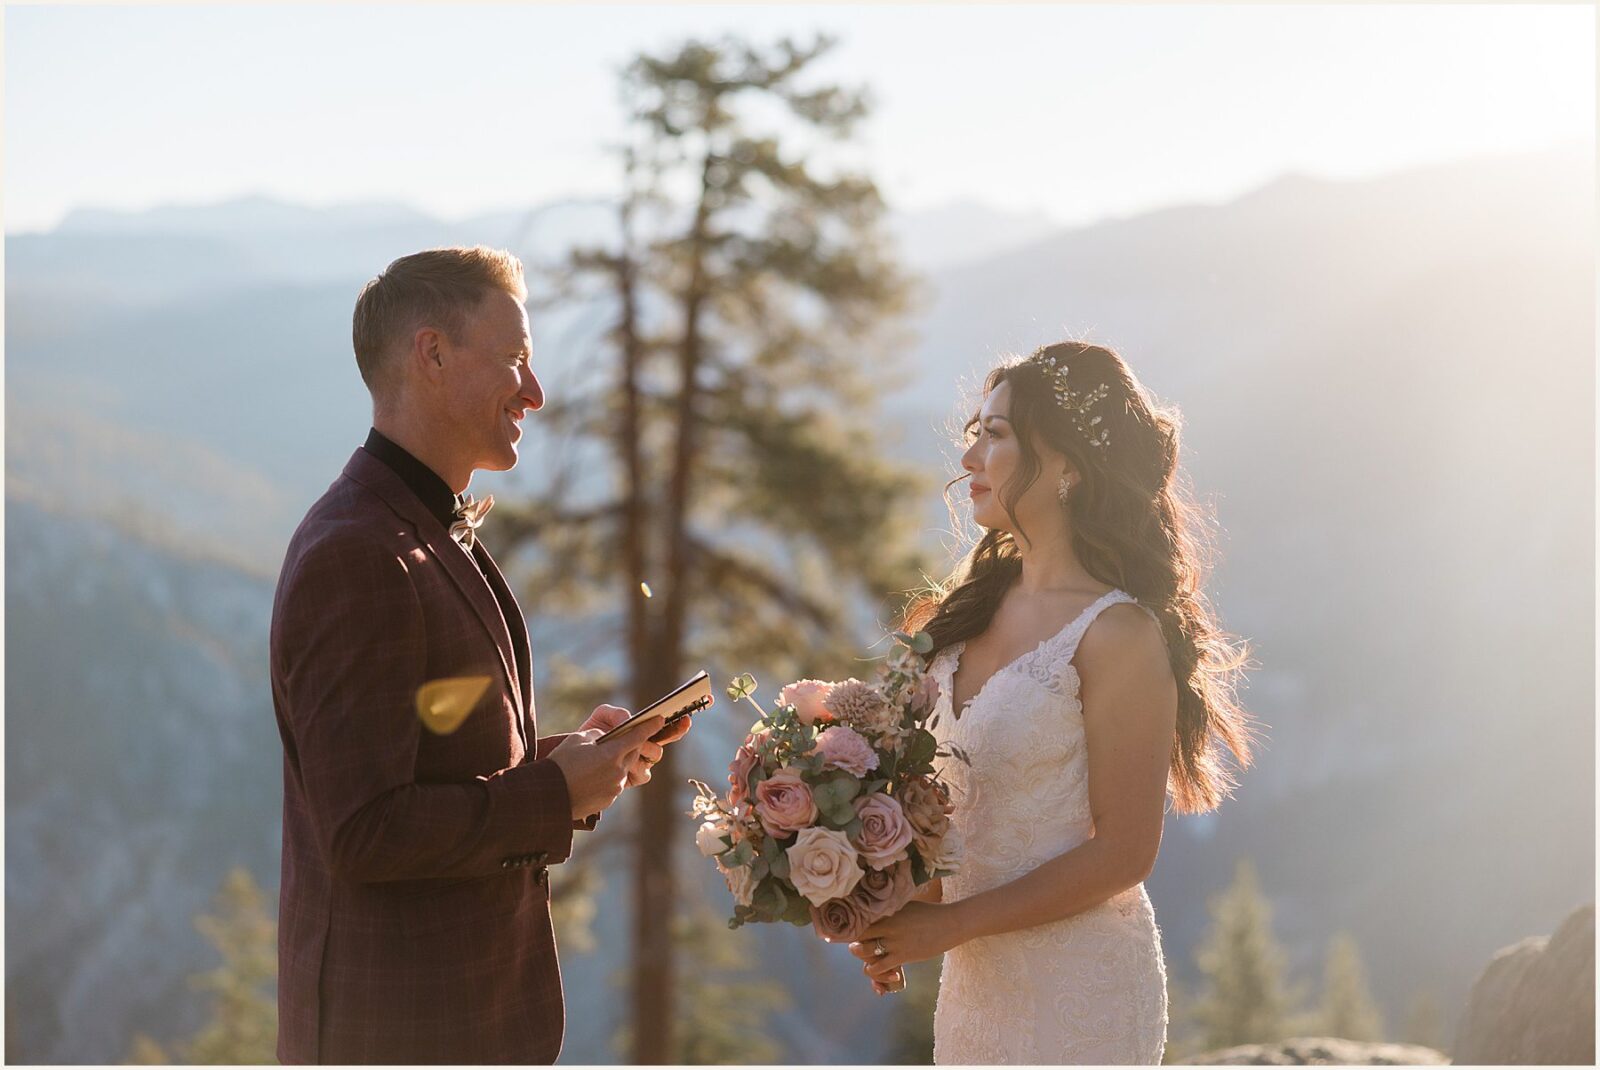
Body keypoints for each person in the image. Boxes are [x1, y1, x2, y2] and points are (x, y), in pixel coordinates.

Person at [269, 246, 687, 1064]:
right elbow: (364, 830)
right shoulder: (356, 553)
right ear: (431, 354)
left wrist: (565, 766)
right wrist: (546, 794)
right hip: (399, 1036)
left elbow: (425, 758)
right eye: (515, 360)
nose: (534, 392)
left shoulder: (415, 530)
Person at [850, 342, 1255, 1064]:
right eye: (974, 432)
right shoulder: (963, 620)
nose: (970, 457)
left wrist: (952, 925)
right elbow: (971, 822)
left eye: (996, 434)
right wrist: (895, 907)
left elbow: (1125, 852)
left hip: (1082, 990)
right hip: (976, 992)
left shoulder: (1117, 632)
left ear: (1067, 465)